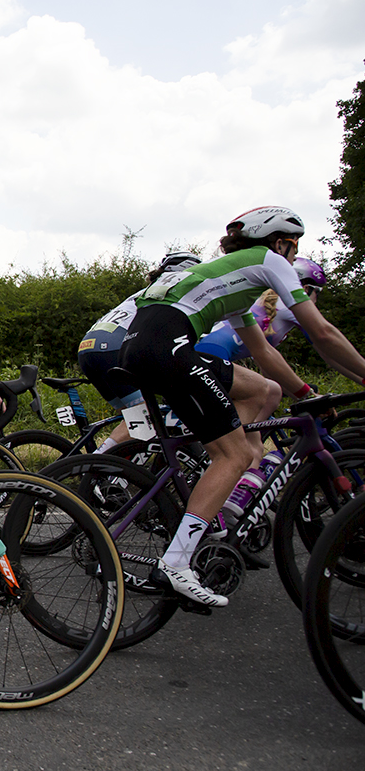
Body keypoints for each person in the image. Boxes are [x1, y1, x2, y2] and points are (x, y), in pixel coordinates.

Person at [119, 206, 365, 607]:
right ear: (281, 242)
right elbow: (322, 332)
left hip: (140, 347)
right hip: (168, 347)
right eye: (294, 246)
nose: (292, 254)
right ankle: (177, 563)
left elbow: (262, 352)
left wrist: (304, 393)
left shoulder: (230, 279)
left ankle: (194, 514)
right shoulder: (267, 260)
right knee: (232, 455)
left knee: (254, 402)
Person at [77, 252, 222, 452]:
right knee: (145, 417)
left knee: (135, 418)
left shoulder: (148, 291)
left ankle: (121, 470)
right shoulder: (173, 294)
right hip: (113, 347)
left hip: (90, 348)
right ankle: (95, 466)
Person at [194, 258, 334, 364]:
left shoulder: (264, 299)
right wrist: (357, 377)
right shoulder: (289, 306)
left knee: (270, 391)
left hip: (201, 348)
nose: (317, 298)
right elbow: (328, 347)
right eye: (318, 291)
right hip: (212, 352)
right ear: (306, 288)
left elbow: (266, 362)